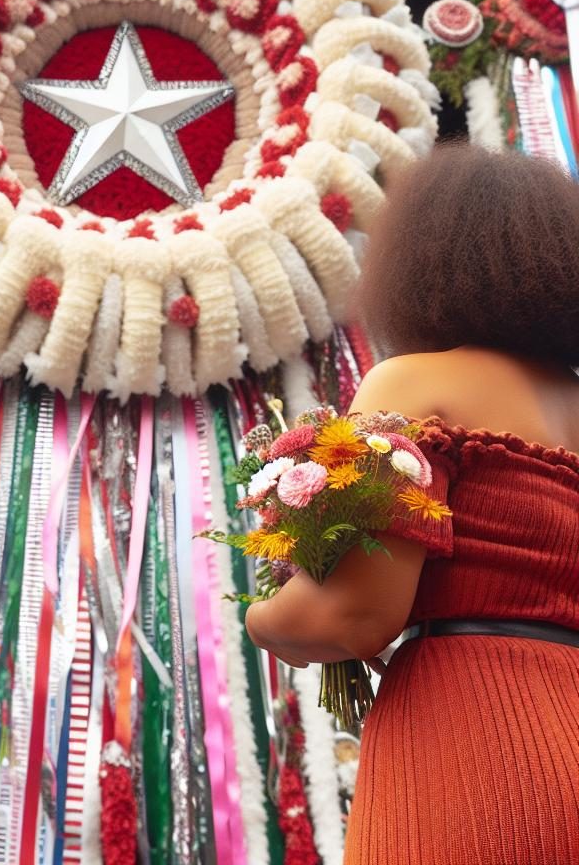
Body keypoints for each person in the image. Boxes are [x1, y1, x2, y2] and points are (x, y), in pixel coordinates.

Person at [245, 142, 579, 864]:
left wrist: (266, 612)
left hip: (473, 741)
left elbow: (353, 616)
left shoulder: (412, 383)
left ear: (422, 263)